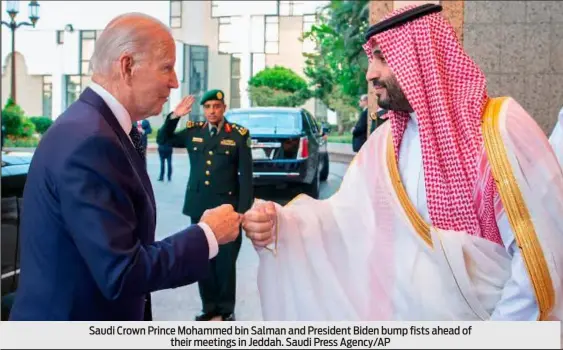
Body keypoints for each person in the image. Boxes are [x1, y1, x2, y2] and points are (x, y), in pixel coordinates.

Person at [243, 3, 563, 323]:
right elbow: (344, 223)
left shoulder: (500, 129)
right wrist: (281, 226)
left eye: (382, 57)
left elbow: (540, 260)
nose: (371, 74)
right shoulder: (384, 145)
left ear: (421, 57)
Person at [9, 13, 242, 321]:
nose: (174, 82)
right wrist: (207, 234)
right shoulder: (89, 140)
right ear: (127, 66)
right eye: (167, 68)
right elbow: (122, 271)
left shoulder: (99, 127)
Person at [161, 89, 253, 321]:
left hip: (228, 208)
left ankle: (226, 309)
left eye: (216, 106)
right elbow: (164, 139)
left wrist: (242, 211)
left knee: (225, 261)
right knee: (204, 258)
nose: (212, 111)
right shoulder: (194, 131)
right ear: (204, 109)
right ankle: (209, 307)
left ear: (223, 109)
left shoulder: (239, 135)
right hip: (199, 207)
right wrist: (175, 116)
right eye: (208, 106)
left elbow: (246, 177)